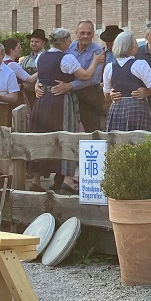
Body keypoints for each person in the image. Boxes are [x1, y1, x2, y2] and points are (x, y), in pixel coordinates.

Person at [29, 28, 104, 193]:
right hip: (59, 100)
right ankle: (68, 180)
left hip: (42, 101)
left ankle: (36, 180)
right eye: (69, 40)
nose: (70, 43)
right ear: (63, 43)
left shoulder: (41, 56)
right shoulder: (67, 58)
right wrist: (96, 61)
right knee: (65, 137)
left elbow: (41, 76)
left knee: (40, 136)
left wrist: (38, 86)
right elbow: (85, 76)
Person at [103, 31, 151, 132]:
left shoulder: (109, 67)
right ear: (130, 47)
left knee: (117, 140)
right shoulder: (139, 64)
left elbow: (107, 94)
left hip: (117, 107)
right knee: (138, 140)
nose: (137, 45)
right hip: (136, 107)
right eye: (135, 43)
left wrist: (112, 94)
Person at [19, 29, 46, 108]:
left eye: (36, 42)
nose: (33, 44)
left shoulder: (47, 57)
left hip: (41, 95)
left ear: (43, 42)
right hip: (26, 95)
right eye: (32, 41)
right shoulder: (26, 59)